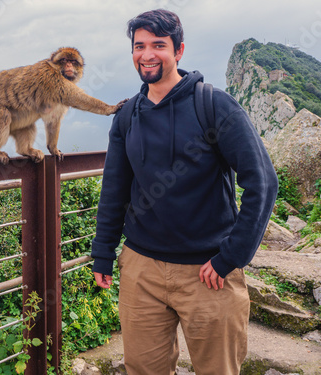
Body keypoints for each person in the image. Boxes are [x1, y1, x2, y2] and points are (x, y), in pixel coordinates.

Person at [91, 9, 278, 375]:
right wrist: (103, 252)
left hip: (208, 273)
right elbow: (114, 188)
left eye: (158, 45)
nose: (147, 54)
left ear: (178, 50)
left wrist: (230, 257)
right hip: (140, 269)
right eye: (139, 46)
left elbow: (262, 181)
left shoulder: (213, 105)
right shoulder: (127, 116)